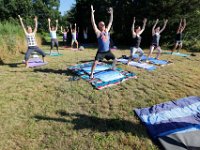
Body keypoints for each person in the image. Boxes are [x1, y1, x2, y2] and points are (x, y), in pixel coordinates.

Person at [90, 5, 116, 79]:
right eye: (101, 25)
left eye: (103, 24)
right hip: (101, 52)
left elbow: (111, 21)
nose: (103, 25)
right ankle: (92, 73)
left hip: (107, 51)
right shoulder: (98, 32)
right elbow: (93, 23)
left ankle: (113, 68)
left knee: (115, 59)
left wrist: (111, 13)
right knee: (95, 62)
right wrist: (92, 13)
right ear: (99, 26)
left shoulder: (107, 30)